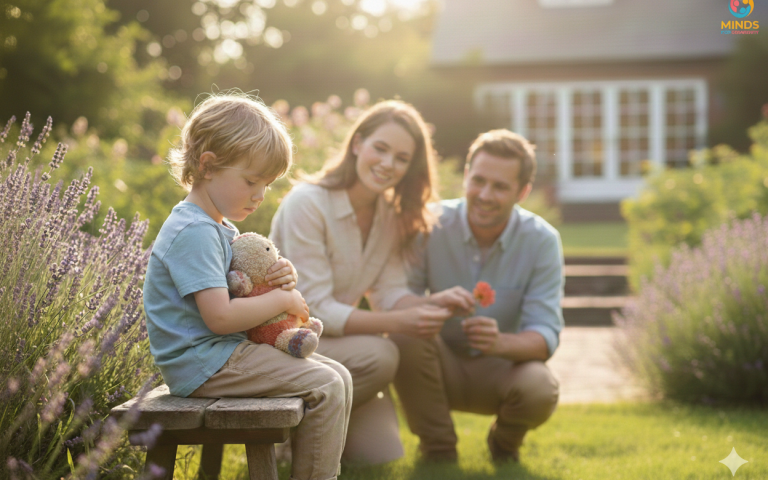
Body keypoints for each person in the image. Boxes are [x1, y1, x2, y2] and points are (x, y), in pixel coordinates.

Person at [142, 94, 352, 480]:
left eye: (267, 184)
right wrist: (283, 298)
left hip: (221, 355)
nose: (260, 194)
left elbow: (239, 288)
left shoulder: (218, 227)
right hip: (204, 363)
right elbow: (220, 317)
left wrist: (276, 279)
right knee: (326, 384)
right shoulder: (194, 231)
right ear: (208, 166)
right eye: (251, 180)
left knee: (340, 375)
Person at [270, 100, 474, 464]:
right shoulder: (308, 203)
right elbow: (313, 306)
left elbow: (389, 294)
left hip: (333, 343)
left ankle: (310, 430)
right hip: (287, 342)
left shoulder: (388, 216)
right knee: (382, 353)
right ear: (357, 143)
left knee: (380, 454)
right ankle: (280, 431)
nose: (387, 164)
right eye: (380, 148)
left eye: (401, 157)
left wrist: (434, 302)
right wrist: (399, 323)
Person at [393, 129, 563, 463]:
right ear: (466, 177)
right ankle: (438, 451)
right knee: (401, 335)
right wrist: (434, 303)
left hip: (502, 370)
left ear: (523, 191)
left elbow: (545, 335)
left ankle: (504, 444)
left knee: (540, 389)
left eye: (500, 187)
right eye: (478, 181)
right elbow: (399, 301)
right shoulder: (430, 224)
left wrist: (500, 344)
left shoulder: (542, 241)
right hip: (437, 365)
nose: (485, 195)